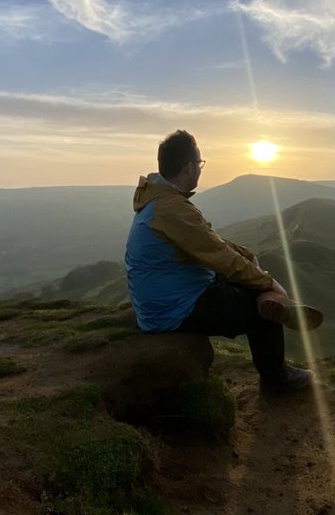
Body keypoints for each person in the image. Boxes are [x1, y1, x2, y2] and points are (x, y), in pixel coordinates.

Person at [125, 130, 323, 391]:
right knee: (261, 312)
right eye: (199, 163)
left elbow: (209, 241)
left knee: (248, 282)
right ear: (188, 167)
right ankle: (277, 378)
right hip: (173, 308)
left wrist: (246, 255)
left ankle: (276, 302)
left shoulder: (162, 201)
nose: (200, 169)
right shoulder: (170, 209)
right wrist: (269, 282)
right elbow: (220, 256)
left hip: (170, 295)